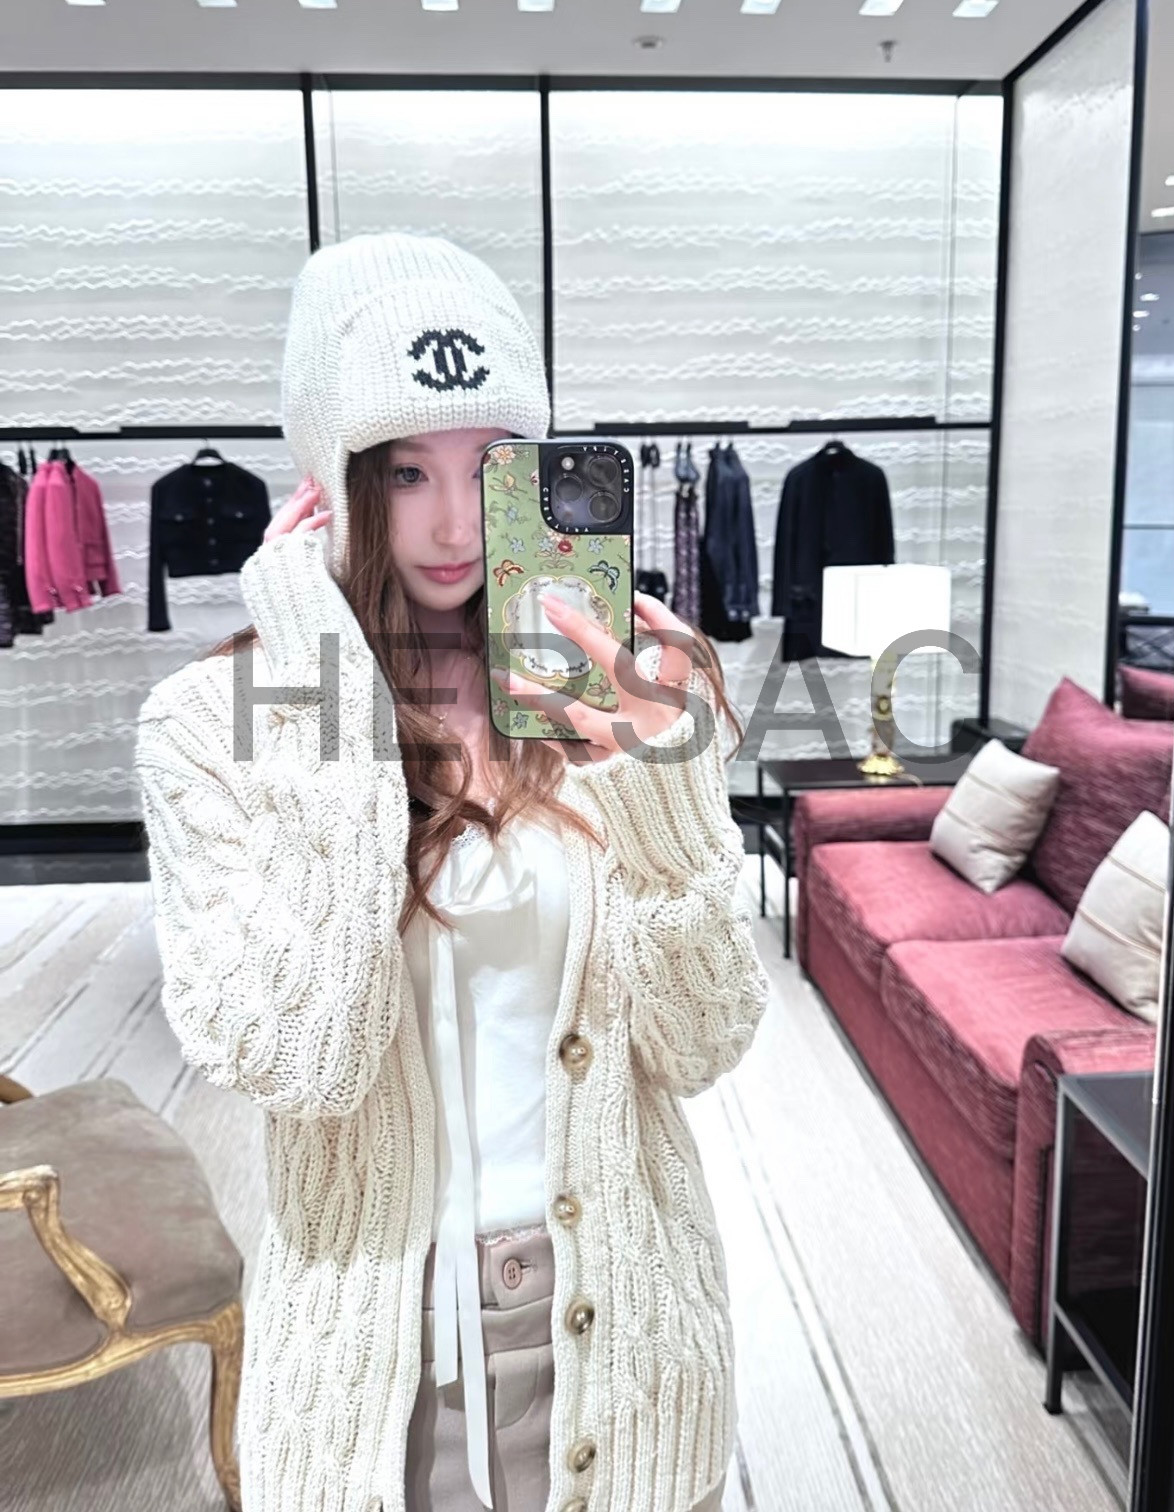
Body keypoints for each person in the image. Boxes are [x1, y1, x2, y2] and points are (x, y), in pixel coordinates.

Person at [134, 234, 769, 1512]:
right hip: (378, 1355)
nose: (453, 520)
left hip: (631, 1332)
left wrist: (660, 786)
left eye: (492, 467)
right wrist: (328, 715)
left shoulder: (627, 694)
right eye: (404, 469)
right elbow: (302, 1060)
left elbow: (703, 1041)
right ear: (329, 481)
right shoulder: (208, 724)